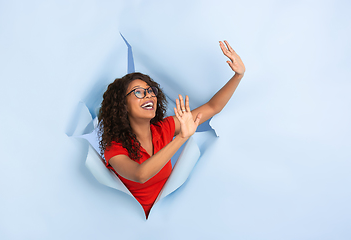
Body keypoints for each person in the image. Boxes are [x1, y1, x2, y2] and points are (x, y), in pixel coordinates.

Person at [98, 40, 245, 218]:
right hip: (132, 223)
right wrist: (182, 137)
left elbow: (212, 107)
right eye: (138, 92)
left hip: (171, 217)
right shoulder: (115, 146)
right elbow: (141, 174)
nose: (149, 95)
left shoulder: (164, 128)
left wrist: (238, 76)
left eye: (150, 91)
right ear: (123, 105)